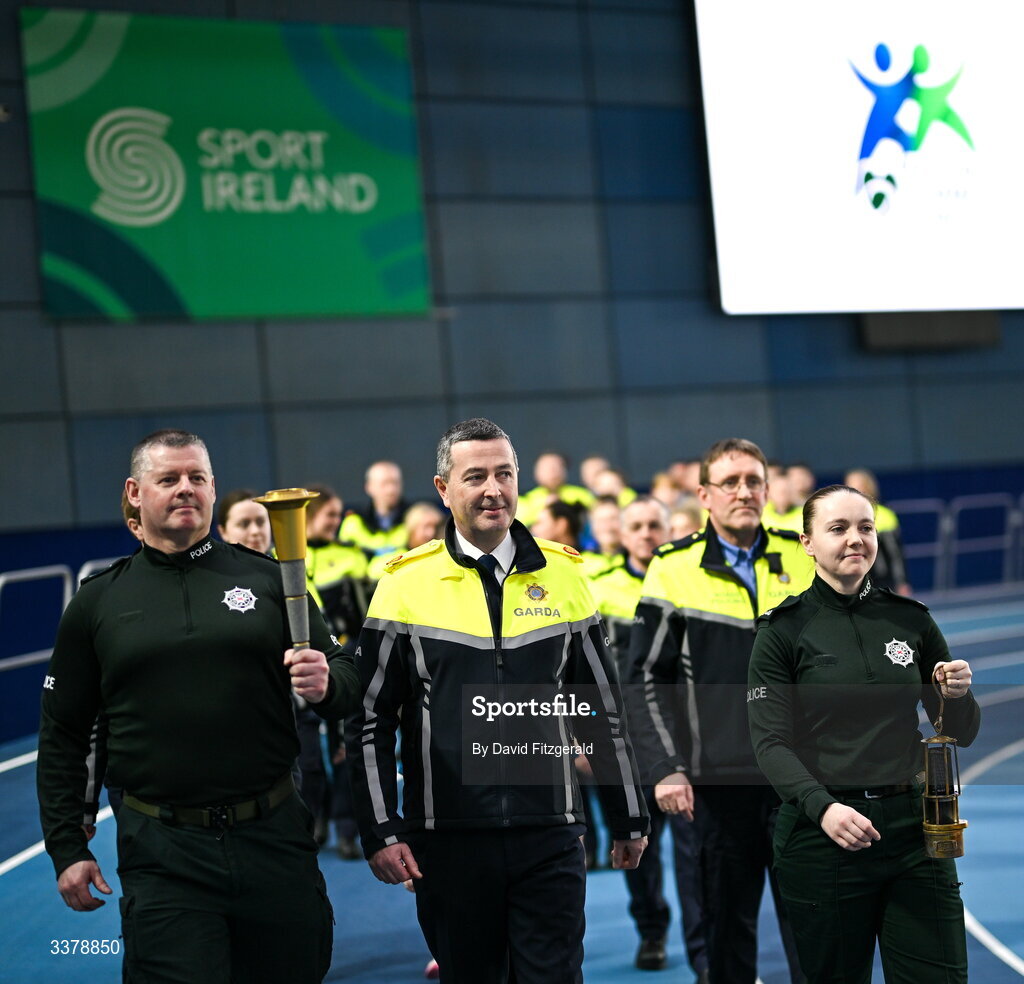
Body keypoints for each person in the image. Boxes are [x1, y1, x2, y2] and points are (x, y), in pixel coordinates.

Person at [37, 428, 360, 984]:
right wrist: (67, 846)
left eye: (197, 477)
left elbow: (346, 681)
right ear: (135, 493)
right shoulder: (97, 601)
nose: (185, 488)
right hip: (162, 852)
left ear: (213, 489)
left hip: (273, 837)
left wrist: (327, 682)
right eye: (168, 479)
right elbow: (63, 731)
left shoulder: (270, 580)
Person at [346, 417, 649, 984]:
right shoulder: (403, 584)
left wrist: (628, 814)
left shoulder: (566, 576)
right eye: (476, 476)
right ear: (443, 489)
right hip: (448, 840)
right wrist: (381, 830)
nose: (493, 489)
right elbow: (369, 721)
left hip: (551, 833)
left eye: (504, 473)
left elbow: (600, 709)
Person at [748, 485, 980, 983]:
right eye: (838, 528)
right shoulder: (781, 631)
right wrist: (823, 808)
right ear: (807, 543)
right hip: (823, 837)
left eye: (865, 527)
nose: (856, 539)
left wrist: (957, 696)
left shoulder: (911, 619)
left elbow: (959, 732)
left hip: (915, 833)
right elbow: (769, 743)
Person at [628, 437, 815, 984]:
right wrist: (665, 766)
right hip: (717, 785)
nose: (743, 491)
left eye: (753, 481)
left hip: (801, 782)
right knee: (726, 938)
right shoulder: (672, 568)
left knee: (816, 929)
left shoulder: (803, 558)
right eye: (730, 482)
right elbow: (644, 679)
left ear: (768, 490)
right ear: (705, 495)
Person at [590, 497, 708, 978]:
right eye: (635, 525)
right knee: (636, 847)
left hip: (685, 742)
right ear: (621, 534)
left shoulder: (689, 583)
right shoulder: (596, 587)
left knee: (696, 853)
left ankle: (705, 953)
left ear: (669, 529)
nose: (645, 533)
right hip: (621, 743)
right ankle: (652, 931)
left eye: (654, 524)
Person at [844, 468, 911, 594]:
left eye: (856, 485)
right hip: (857, 581)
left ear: (867, 487)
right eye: (848, 485)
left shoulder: (885, 516)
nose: (851, 490)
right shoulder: (844, 517)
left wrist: (902, 581)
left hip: (883, 581)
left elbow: (895, 555)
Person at [340, 460, 408, 555]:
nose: (391, 490)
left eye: (395, 483)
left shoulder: (414, 519)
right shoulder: (354, 521)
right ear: (369, 487)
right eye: (384, 483)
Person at [368, 501, 444, 581]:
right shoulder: (395, 556)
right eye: (426, 526)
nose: (431, 533)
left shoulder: (443, 554)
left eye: (436, 527)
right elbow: (375, 574)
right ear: (412, 528)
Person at [516, 450, 595, 527]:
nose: (552, 472)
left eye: (557, 467)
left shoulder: (581, 495)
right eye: (546, 468)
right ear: (536, 472)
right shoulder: (525, 499)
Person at [216, 488, 271, 554]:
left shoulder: (281, 557)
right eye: (244, 524)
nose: (255, 531)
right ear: (223, 532)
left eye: (261, 522)